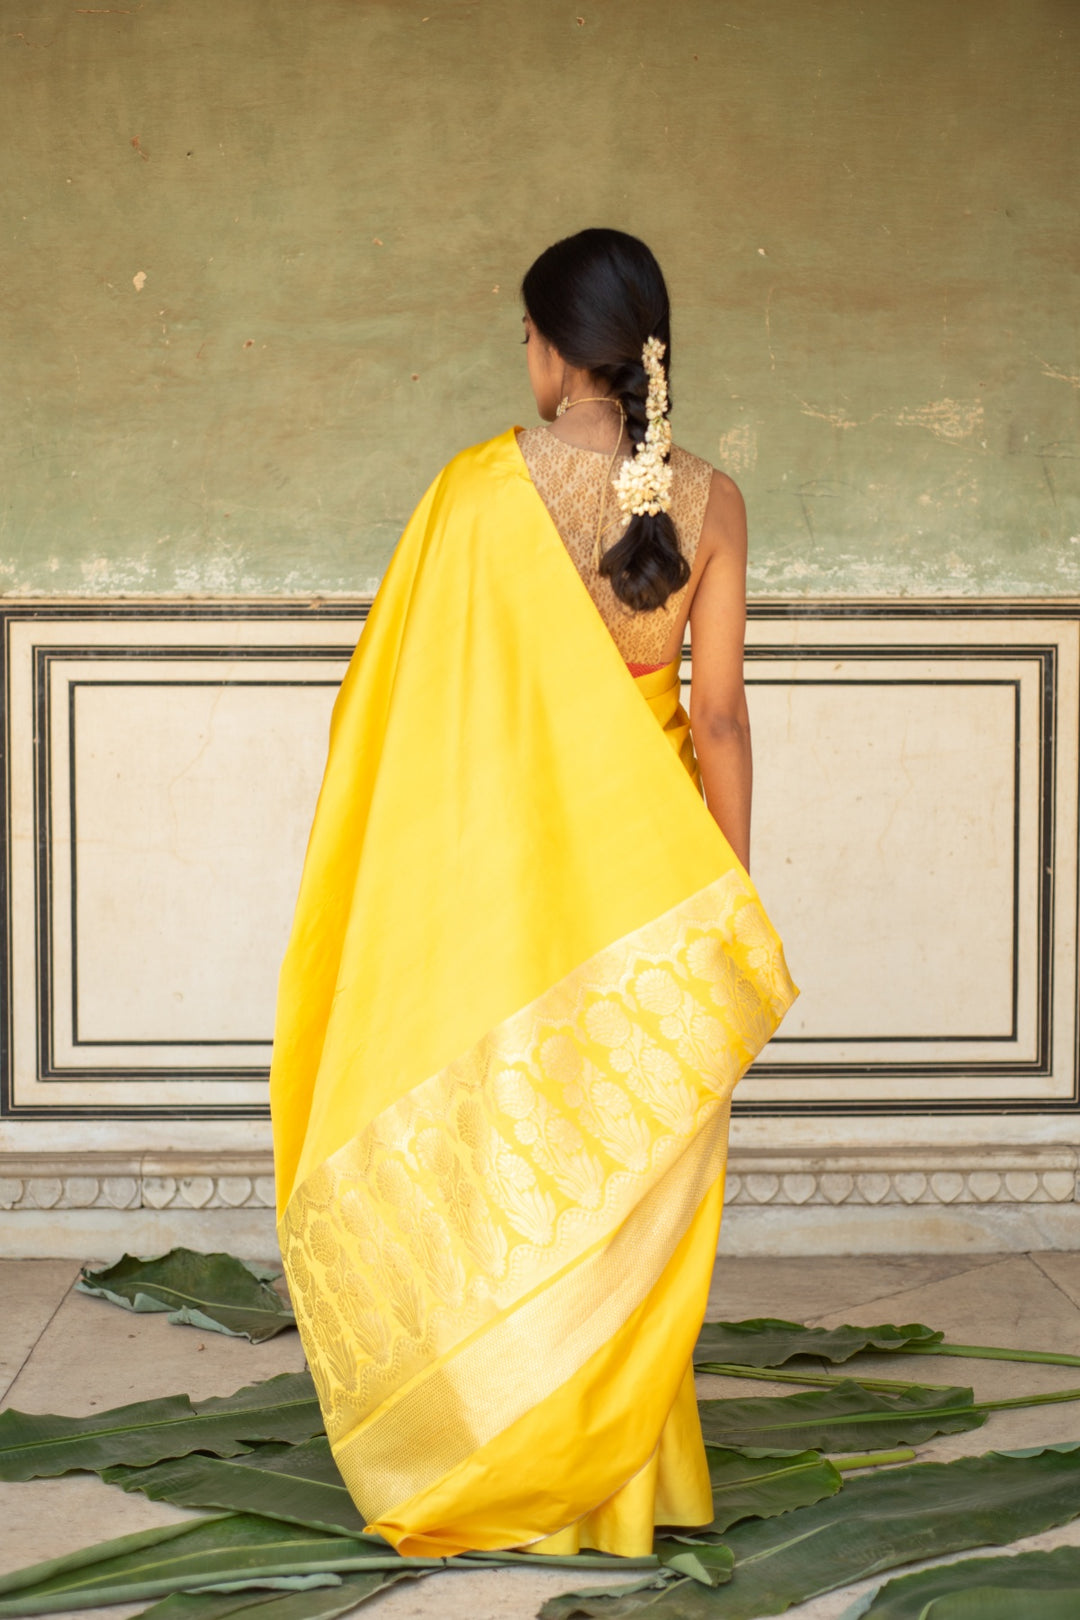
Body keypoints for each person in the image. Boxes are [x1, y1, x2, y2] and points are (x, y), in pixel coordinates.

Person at [269, 227, 797, 1562]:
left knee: (522, 1159)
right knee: (633, 1174)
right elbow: (719, 722)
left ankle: (499, 1446)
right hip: (658, 887)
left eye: (526, 334)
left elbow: (402, 717)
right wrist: (726, 903)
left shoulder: (474, 494)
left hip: (511, 897)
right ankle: (628, 1481)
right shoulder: (713, 501)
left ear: (556, 348)